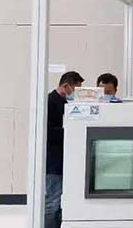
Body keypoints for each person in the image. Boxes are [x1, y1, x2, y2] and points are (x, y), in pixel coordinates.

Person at [45, 71, 84, 228]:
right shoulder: (49, 102)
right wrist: (70, 130)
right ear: (66, 86)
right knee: (52, 203)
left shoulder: (66, 103)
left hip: (64, 160)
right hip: (53, 163)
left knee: (60, 203)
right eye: (76, 89)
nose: (76, 93)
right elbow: (46, 132)